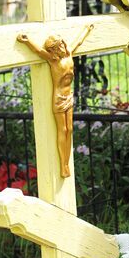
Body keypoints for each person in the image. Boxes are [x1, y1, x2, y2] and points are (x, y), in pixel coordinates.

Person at [17, 25, 93, 178]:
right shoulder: (53, 60)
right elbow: (38, 51)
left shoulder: (69, 53)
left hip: (69, 95)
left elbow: (78, 41)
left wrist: (87, 30)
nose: (62, 47)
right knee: (62, 129)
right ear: (54, 50)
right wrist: (27, 41)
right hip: (58, 97)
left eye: (62, 44)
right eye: (59, 46)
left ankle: (66, 161)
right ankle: (64, 165)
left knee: (70, 129)